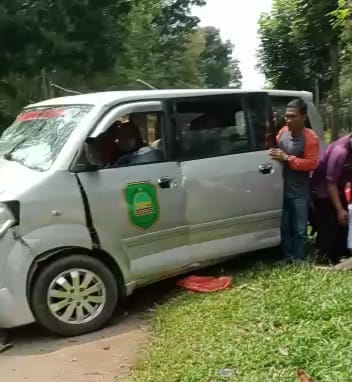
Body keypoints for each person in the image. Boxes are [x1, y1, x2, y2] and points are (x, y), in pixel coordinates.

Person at [270, 98, 320, 262]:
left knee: (299, 228)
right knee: (285, 227)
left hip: (300, 191)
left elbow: (312, 163)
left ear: (303, 117)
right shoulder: (283, 132)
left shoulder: (310, 138)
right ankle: (287, 256)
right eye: (287, 116)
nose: (289, 120)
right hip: (281, 189)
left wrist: (288, 158)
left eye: (293, 116)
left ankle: (298, 258)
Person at [311, 134, 352, 265]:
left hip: (338, 187)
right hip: (322, 189)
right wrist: (339, 210)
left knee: (344, 223)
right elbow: (331, 182)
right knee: (329, 224)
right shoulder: (340, 152)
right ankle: (322, 259)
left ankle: (340, 255)